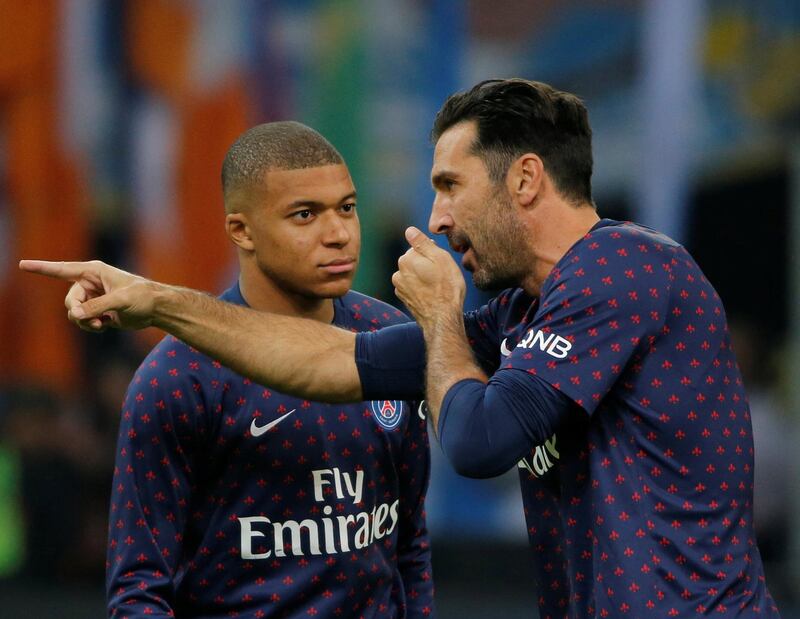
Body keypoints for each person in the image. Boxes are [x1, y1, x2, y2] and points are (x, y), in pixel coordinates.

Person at [22, 79, 781, 617]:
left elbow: (480, 440)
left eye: (450, 185)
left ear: (523, 179)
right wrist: (161, 301)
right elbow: (331, 360)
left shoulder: (625, 268)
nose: (438, 217)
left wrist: (444, 316)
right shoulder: (519, 312)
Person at [33, 122, 436, 618]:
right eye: (305, 214)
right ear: (241, 230)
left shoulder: (390, 338)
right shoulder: (175, 380)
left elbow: (409, 541)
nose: (338, 235)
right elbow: (138, 589)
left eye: (347, 208)